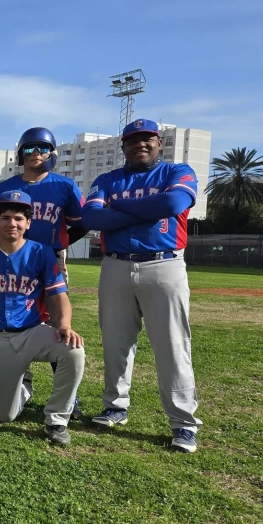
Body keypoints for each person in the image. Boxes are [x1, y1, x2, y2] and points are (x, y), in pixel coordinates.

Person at [82, 118, 202, 453]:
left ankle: (183, 423)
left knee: (172, 345)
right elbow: (91, 218)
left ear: (158, 143)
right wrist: (146, 210)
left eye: (147, 139)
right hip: (116, 264)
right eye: (133, 141)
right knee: (116, 342)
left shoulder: (176, 171)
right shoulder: (107, 178)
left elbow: (174, 204)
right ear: (124, 147)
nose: (141, 145)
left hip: (164, 263)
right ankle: (115, 406)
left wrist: (117, 206)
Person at [0, 127, 87, 412]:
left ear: (53, 153)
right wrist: (10, 248)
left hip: (50, 259)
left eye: (42, 148)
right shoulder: (4, 187)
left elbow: (82, 222)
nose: (35, 154)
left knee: (52, 323)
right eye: (29, 149)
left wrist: (57, 246)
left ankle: (67, 396)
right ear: (20, 154)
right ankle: (7, 381)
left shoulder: (64, 186)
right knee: (4, 314)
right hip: (10, 259)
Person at [0, 190, 86, 446]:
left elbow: (59, 294)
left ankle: (56, 419)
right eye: (6, 217)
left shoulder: (41, 252)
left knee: (73, 350)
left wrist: (64, 324)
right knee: (4, 415)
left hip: (33, 332)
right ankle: (25, 382)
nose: (12, 223)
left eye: (19, 218)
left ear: (28, 223)